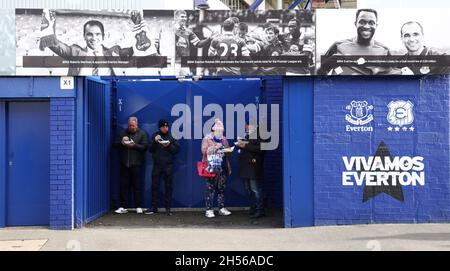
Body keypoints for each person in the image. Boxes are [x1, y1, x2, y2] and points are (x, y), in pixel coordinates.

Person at [39, 9, 158, 76]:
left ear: (103, 36)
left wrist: (138, 25)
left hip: (106, 95)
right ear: (84, 36)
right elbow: (54, 44)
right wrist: (49, 26)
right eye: (89, 34)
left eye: (97, 34)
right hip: (82, 95)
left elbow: (137, 48)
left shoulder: (114, 52)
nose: (93, 38)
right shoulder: (75, 52)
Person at [317, 9, 399, 75]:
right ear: (355, 23)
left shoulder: (385, 51)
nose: (366, 26)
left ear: (376, 26)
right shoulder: (338, 46)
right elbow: (321, 71)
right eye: (362, 22)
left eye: (371, 23)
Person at [113, 117, 148, 214]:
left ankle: (138, 206)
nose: (131, 127)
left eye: (133, 125)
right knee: (123, 186)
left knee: (137, 186)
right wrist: (122, 142)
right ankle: (122, 207)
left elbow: (145, 147)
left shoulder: (142, 133)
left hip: (136, 164)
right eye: (130, 125)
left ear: (137, 124)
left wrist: (134, 145)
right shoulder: (122, 133)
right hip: (124, 164)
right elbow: (114, 145)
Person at [146, 119, 180, 216]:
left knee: (168, 187)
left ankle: (168, 209)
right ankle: (153, 207)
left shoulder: (172, 136)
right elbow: (150, 149)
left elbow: (176, 150)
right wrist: (155, 141)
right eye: (163, 126)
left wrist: (168, 145)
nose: (166, 128)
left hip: (168, 166)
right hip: (157, 165)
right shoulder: (155, 136)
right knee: (154, 187)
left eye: (167, 126)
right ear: (160, 127)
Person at [201, 119, 232, 218]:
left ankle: (221, 208)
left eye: (221, 131)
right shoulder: (207, 138)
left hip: (222, 167)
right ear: (214, 130)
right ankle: (209, 210)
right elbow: (204, 151)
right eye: (218, 131)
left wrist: (227, 150)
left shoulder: (223, 139)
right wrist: (215, 147)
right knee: (210, 189)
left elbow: (228, 152)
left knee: (221, 189)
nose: (220, 133)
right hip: (211, 167)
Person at [236, 122, 266, 219]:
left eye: (248, 126)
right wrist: (241, 143)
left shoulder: (261, 135)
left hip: (253, 167)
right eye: (246, 127)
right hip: (245, 167)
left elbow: (261, 149)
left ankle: (260, 210)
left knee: (255, 189)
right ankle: (253, 208)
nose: (247, 128)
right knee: (249, 190)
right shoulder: (248, 136)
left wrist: (245, 146)